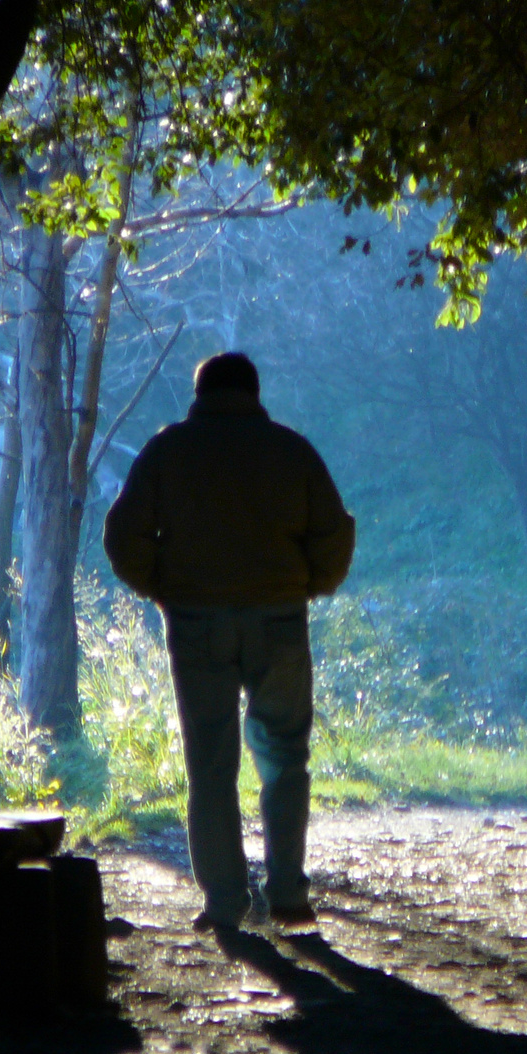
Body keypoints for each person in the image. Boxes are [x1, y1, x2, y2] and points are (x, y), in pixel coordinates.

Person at [104, 352, 354, 932]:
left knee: (211, 763)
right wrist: (308, 586)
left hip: (196, 623)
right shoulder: (292, 450)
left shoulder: (168, 450)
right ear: (254, 392)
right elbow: (335, 534)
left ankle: (223, 901)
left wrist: (163, 587)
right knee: (286, 757)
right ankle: (288, 894)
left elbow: (122, 537)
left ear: (200, 393)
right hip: (279, 619)